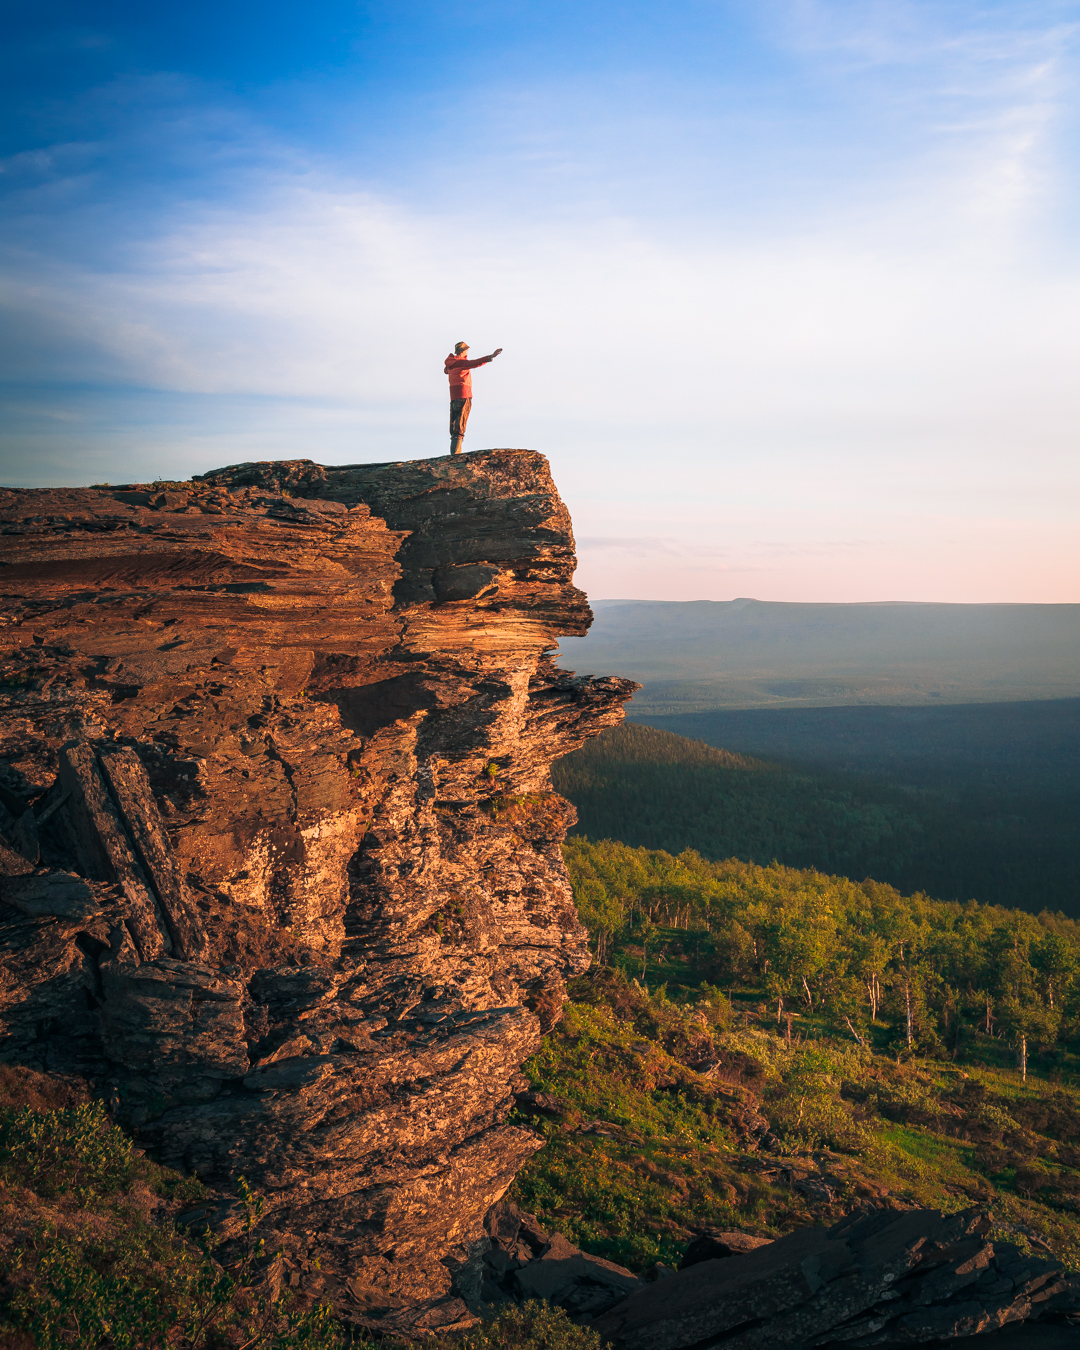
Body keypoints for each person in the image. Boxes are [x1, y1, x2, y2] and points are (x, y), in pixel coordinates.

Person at [444, 341, 503, 454]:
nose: (467, 352)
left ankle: (454, 452)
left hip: (453, 397)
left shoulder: (450, 364)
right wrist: (491, 356)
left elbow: (445, 370)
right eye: (466, 350)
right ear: (463, 351)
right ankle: (456, 454)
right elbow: (475, 363)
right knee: (461, 423)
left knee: (454, 424)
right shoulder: (460, 363)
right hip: (464, 394)